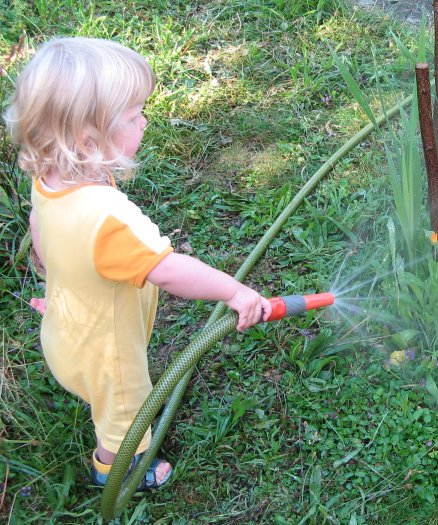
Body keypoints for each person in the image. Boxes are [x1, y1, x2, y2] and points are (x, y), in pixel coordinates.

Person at [4, 36, 271, 490]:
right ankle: (119, 468)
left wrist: (54, 276)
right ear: (88, 137)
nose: (145, 121)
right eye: (133, 115)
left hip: (66, 328)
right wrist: (234, 290)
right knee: (125, 415)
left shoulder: (49, 180)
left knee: (107, 398)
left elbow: (38, 224)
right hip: (106, 355)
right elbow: (167, 270)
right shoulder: (107, 218)